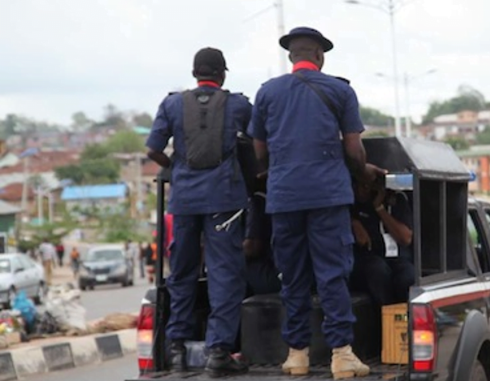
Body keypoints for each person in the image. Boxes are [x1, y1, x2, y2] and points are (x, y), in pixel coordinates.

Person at [248, 26, 384, 379]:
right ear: (320, 56)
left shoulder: (267, 93)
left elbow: (259, 150)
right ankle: (341, 355)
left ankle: (297, 355)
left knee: (291, 276)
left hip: (283, 197)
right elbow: (354, 149)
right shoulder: (340, 91)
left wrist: (274, 173)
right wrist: (364, 174)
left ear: (292, 56)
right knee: (331, 274)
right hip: (327, 196)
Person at [145, 47, 250, 377]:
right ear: (222, 75)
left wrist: (175, 169)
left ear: (195, 73)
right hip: (224, 201)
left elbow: (153, 149)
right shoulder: (238, 104)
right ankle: (218, 351)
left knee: (182, 271)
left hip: (184, 201)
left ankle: (177, 348)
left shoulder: (172, 103)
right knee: (224, 274)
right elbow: (261, 139)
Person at [350, 181, 414, 307]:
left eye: (368, 184)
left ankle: (405, 320)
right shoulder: (351, 203)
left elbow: (405, 238)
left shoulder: (396, 199)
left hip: (397, 258)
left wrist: (379, 208)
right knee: (377, 270)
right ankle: (387, 319)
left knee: (409, 277)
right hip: (369, 258)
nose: (365, 189)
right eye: (362, 184)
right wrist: (353, 222)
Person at [243, 192, 281, 297]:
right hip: (296, 274)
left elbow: (252, 247)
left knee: (228, 266)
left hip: (271, 275)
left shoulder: (257, 201)